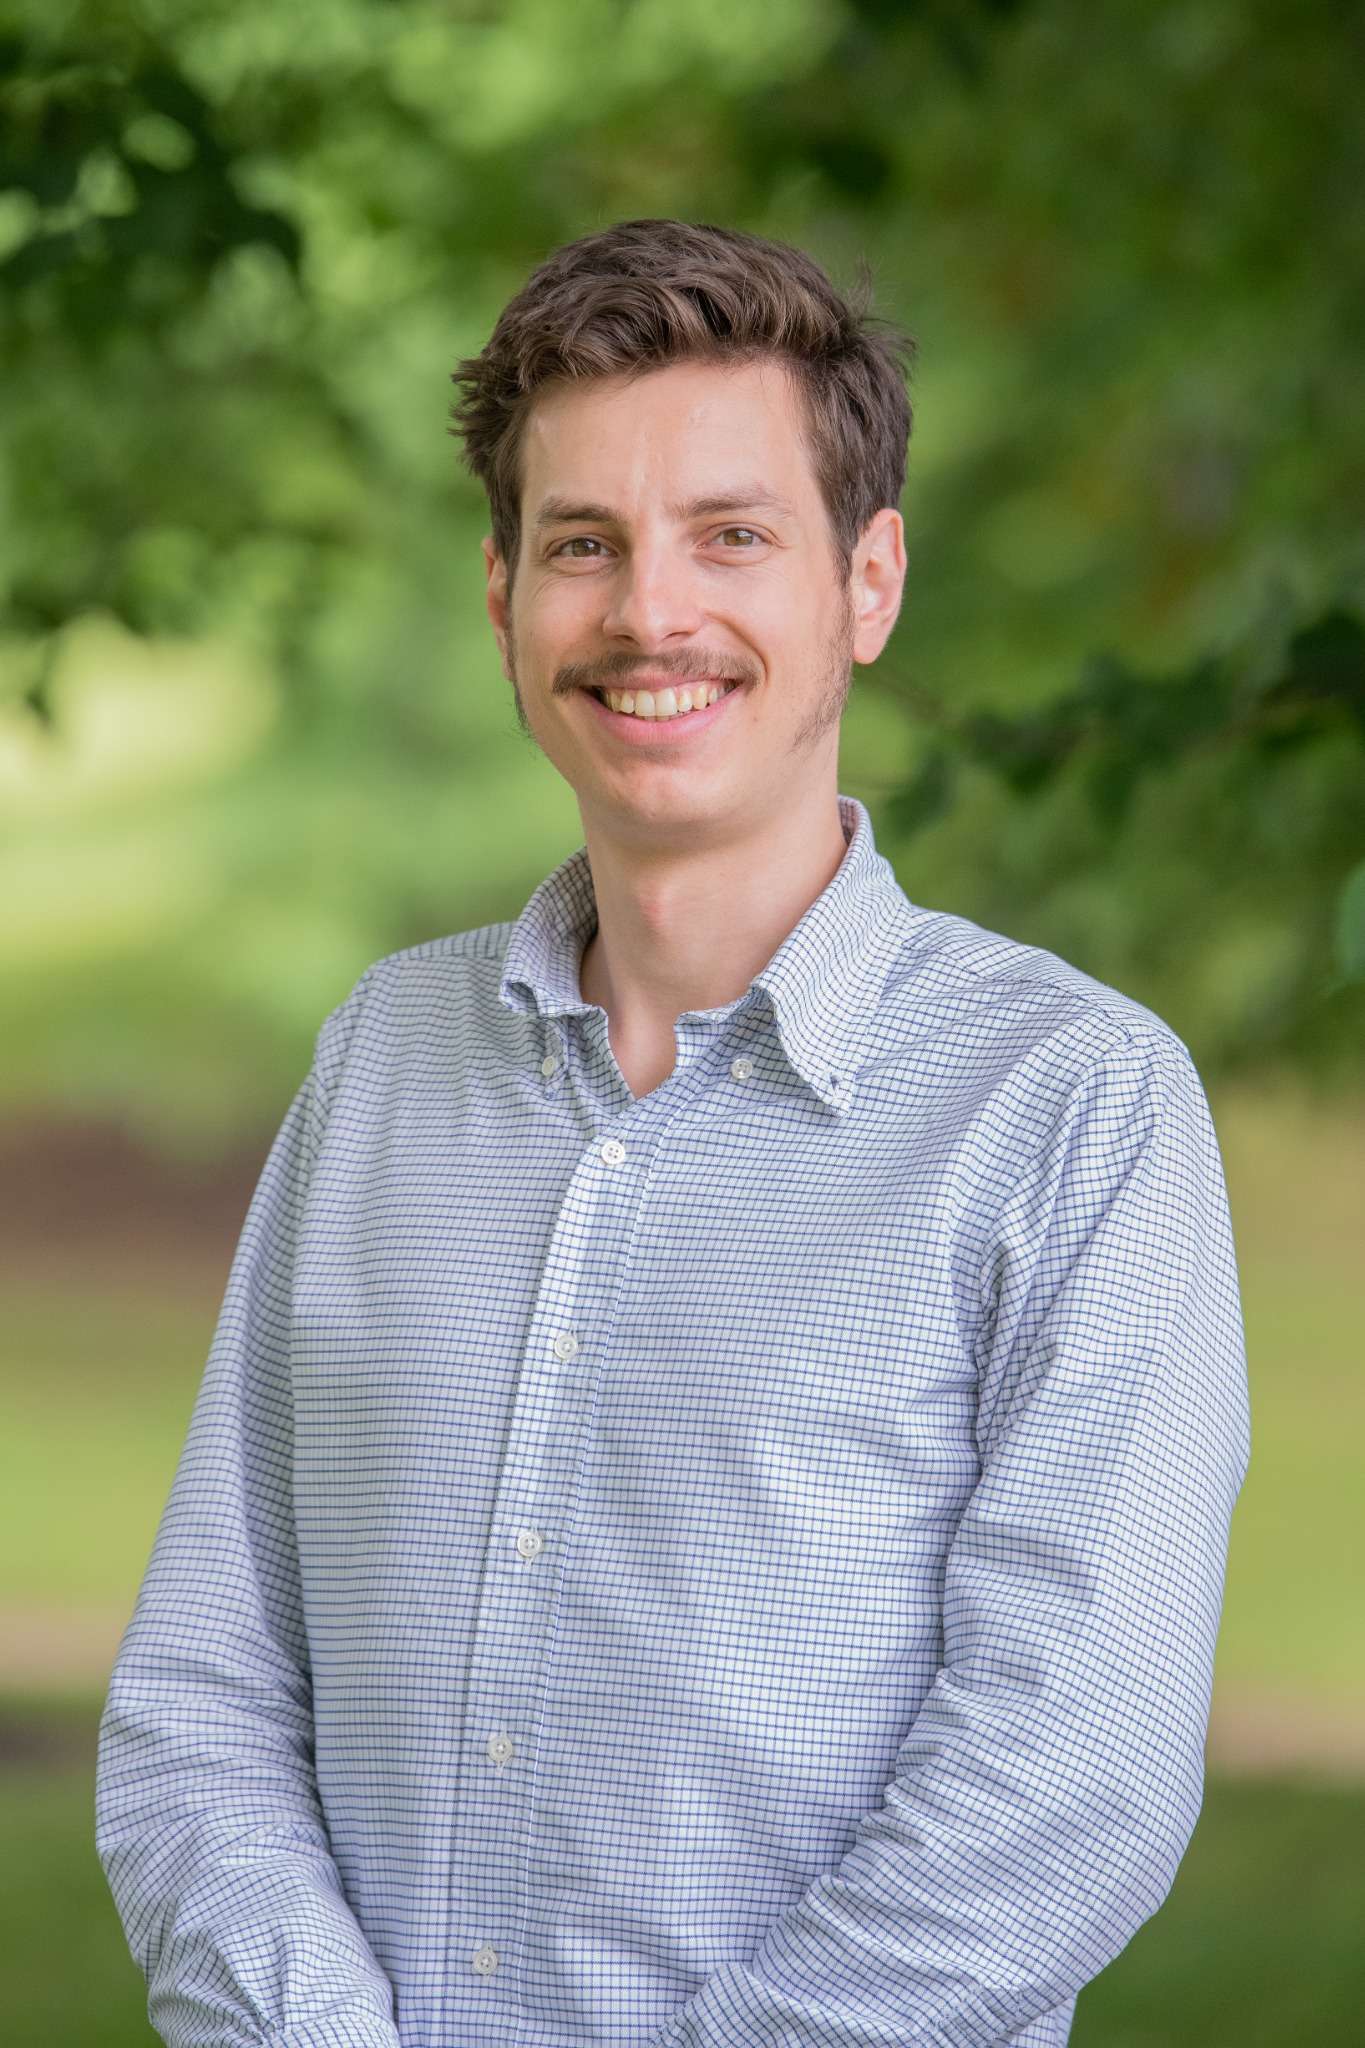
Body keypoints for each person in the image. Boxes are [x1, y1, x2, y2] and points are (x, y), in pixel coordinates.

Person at [96, 218, 1252, 2048]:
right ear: (502, 596)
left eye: (732, 535)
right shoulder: (382, 1060)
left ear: (866, 582)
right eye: (584, 544)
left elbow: (1061, 1796)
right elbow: (204, 1701)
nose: (650, 614)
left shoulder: (1070, 1108)